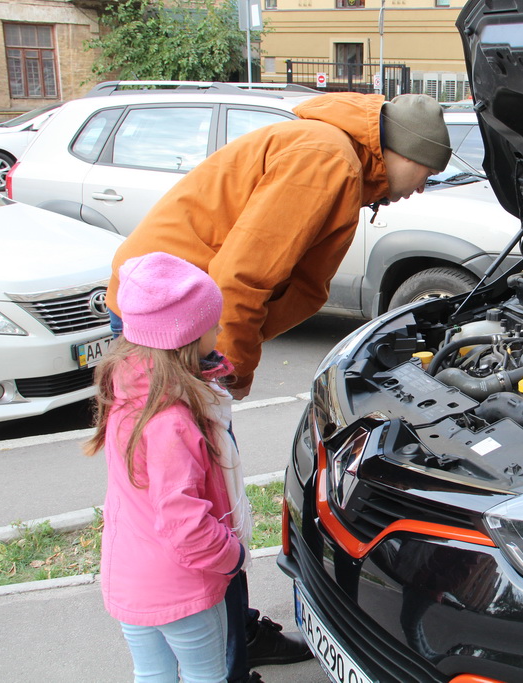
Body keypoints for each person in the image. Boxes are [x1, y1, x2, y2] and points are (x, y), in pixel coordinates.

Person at [104, 91, 451, 682]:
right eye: (425, 171)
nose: (420, 187)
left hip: (181, 319)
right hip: (181, 327)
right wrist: (229, 366)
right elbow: (241, 275)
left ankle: (231, 632)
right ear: (400, 150)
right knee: (201, 488)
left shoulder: (335, 155)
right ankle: (225, 658)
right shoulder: (328, 160)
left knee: (205, 482)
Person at [86, 252, 251, 682]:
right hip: (183, 588)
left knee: (152, 675)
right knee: (206, 676)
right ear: (186, 337)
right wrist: (232, 556)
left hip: (128, 578)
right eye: (212, 326)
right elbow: (185, 523)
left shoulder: (126, 390)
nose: (218, 331)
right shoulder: (172, 420)